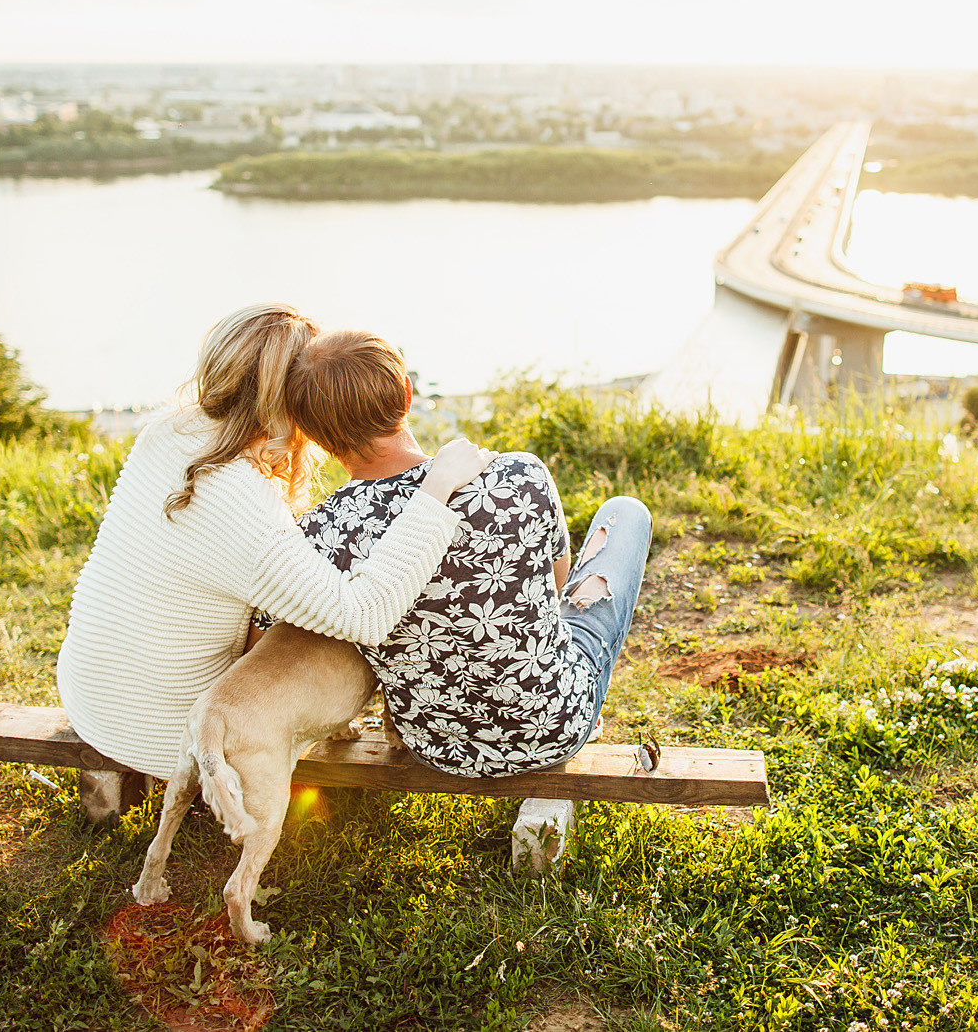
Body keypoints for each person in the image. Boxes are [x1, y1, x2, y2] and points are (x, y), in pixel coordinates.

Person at [55, 304, 496, 779]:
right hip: (175, 735)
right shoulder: (244, 506)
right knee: (334, 629)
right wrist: (435, 488)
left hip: (92, 693)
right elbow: (365, 617)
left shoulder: (169, 427)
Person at [265, 329, 651, 778]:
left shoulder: (319, 535)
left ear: (312, 435)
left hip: (436, 746)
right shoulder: (518, 473)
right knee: (627, 512)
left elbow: (273, 625)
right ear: (407, 393)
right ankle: (578, 692)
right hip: (554, 727)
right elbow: (557, 582)